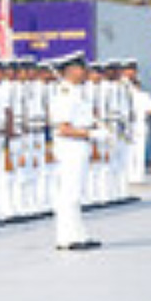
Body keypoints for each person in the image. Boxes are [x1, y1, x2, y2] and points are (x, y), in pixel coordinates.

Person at [48, 52, 102, 251]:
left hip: (79, 145)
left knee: (75, 193)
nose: (85, 72)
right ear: (70, 71)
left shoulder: (76, 92)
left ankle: (78, 234)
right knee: (69, 193)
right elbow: (63, 128)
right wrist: (92, 134)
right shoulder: (65, 94)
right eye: (81, 68)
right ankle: (67, 238)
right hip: (70, 146)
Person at [124, 62, 151, 185]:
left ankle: (137, 175)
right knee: (132, 151)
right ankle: (133, 175)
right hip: (131, 124)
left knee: (137, 150)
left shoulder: (144, 95)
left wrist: (144, 113)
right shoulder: (126, 95)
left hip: (139, 124)